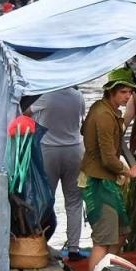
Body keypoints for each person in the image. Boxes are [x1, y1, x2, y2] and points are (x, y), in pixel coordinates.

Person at [81, 72, 136, 271]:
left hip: (107, 181)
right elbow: (109, 158)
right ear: (111, 91)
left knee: (119, 234)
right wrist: (130, 171)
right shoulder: (103, 115)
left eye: (130, 92)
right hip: (98, 183)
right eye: (123, 92)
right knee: (103, 239)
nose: (127, 96)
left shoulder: (107, 111)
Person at [30, 86, 88, 260]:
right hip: (75, 150)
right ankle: (74, 248)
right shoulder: (78, 96)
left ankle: (37, 242)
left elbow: (25, 110)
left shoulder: (44, 96)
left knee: (44, 198)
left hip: (49, 150)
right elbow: (81, 117)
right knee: (74, 202)